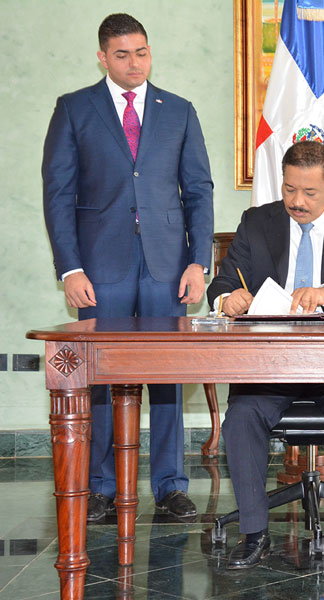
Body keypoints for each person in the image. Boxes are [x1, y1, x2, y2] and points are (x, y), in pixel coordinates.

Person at [42, 13, 214, 522]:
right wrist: (70, 269)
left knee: (167, 378)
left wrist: (198, 261)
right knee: (99, 376)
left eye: (141, 52)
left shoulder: (179, 110)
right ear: (102, 57)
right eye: (122, 54)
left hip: (168, 265)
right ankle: (99, 486)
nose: (134, 63)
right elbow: (58, 194)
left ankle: (170, 485)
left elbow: (199, 191)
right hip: (100, 266)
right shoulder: (74, 108)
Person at [207, 141, 324, 570]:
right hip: (270, 364)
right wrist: (227, 299)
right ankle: (254, 533)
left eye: (309, 192)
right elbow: (222, 283)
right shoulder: (257, 222)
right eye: (289, 189)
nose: (297, 202)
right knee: (242, 417)